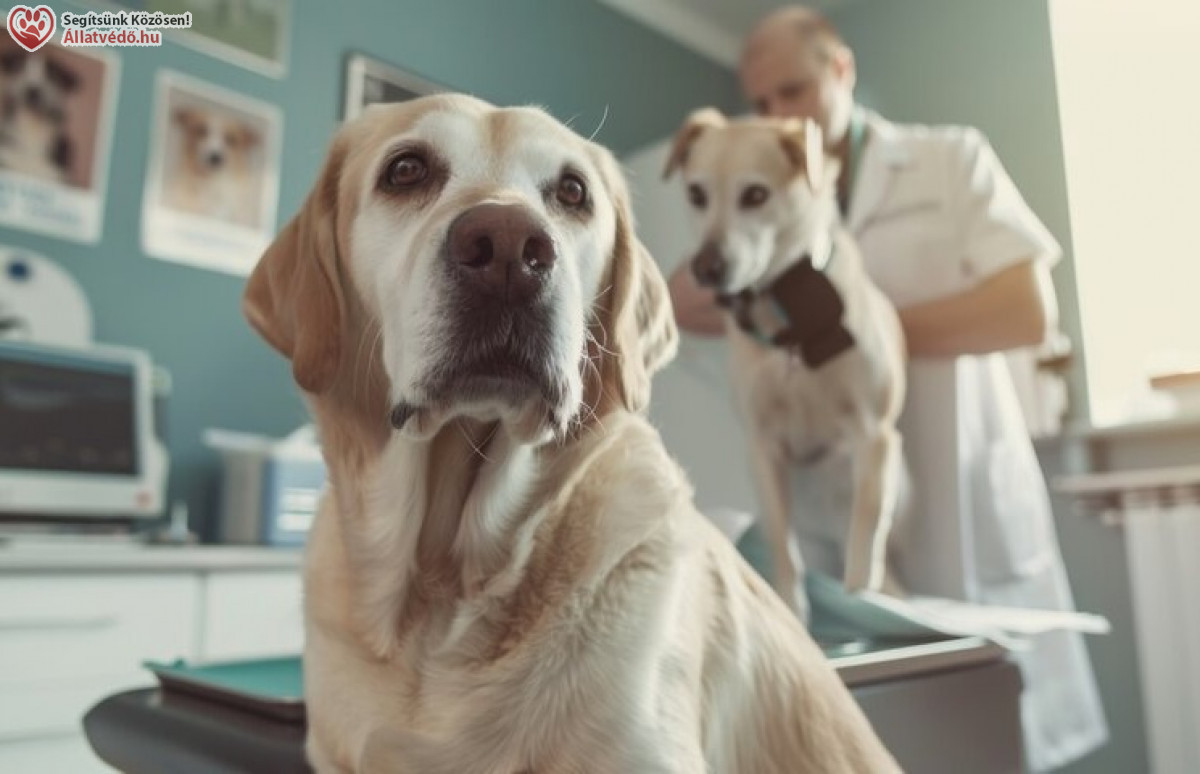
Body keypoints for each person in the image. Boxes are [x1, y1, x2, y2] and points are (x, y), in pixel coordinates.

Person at [668, 6, 1108, 772]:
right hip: (824, 528)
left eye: (793, 90)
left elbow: (1028, 309)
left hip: (954, 503)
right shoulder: (759, 177)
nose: (777, 113)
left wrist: (854, 323)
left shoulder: (948, 160)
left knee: (983, 737)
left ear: (840, 69)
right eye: (762, 100)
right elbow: (681, 301)